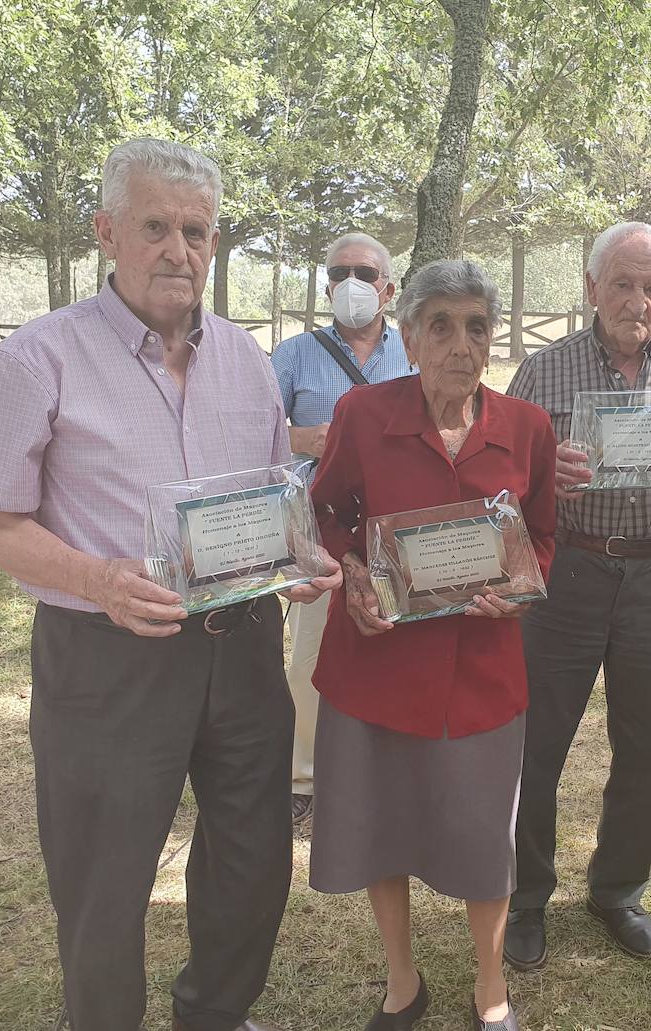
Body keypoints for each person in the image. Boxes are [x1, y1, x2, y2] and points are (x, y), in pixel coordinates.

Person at [0, 138, 342, 1031]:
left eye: (196, 231)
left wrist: (299, 556)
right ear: (107, 233)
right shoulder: (37, 358)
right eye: (156, 227)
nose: (179, 249)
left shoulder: (247, 360)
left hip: (242, 647)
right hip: (106, 653)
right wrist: (98, 577)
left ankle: (214, 1012)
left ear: (215, 243)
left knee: (252, 859)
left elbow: (269, 496)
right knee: (102, 874)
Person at [307, 259, 556, 1031]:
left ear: (493, 338)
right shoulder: (361, 412)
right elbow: (327, 510)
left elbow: (543, 534)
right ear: (408, 335)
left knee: (486, 836)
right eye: (439, 325)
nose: (459, 342)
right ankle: (402, 982)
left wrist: (523, 582)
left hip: (481, 671)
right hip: (377, 665)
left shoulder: (527, 428)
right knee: (382, 826)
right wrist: (351, 571)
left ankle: (490, 988)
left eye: (475, 326)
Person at [502, 222, 651, 970]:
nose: (636, 301)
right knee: (534, 747)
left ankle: (618, 890)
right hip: (567, 577)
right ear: (590, 289)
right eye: (621, 284)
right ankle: (525, 899)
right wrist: (544, 481)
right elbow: (499, 490)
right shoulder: (542, 372)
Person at [270, 231, 415, 824]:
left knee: (395, 644)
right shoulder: (293, 356)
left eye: (365, 271)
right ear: (327, 284)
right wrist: (308, 439)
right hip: (317, 524)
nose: (351, 282)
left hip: (398, 520)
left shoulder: (415, 351)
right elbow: (254, 432)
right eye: (339, 272)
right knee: (310, 654)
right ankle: (304, 775)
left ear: (389, 286)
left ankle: (387, 769)